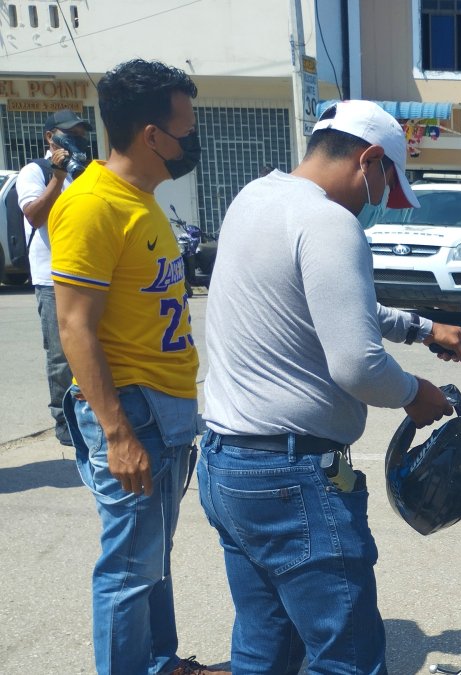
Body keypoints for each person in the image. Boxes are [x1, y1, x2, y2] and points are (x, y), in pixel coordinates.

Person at [198, 100, 461, 673]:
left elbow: (331, 304)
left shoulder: (256, 197)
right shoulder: (328, 222)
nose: (376, 204)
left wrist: (423, 328)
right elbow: (357, 365)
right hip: (290, 480)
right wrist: (416, 393)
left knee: (264, 647)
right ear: (370, 159)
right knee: (346, 658)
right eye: (383, 188)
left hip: (228, 467)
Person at [49, 60, 225, 675]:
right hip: (131, 410)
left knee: (153, 556)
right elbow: (74, 326)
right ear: (152, 135)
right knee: (128, 569)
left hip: (165, 408)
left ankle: (159, 661)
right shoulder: (93, 205)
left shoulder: (142, 200)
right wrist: (118, 434)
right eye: (186, 130)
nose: (192, 143)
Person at [17, 109, 92, 446]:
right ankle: (64, 421)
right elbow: (33, 216)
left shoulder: (87, 171)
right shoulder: (35, 171)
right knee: (61, 355)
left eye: (81, 133)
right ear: (50, 137)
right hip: (52, 279)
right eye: (69, 133)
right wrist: (57, 177)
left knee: (95, 347)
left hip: (90, 276)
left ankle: (93, 413)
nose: (77, 138)